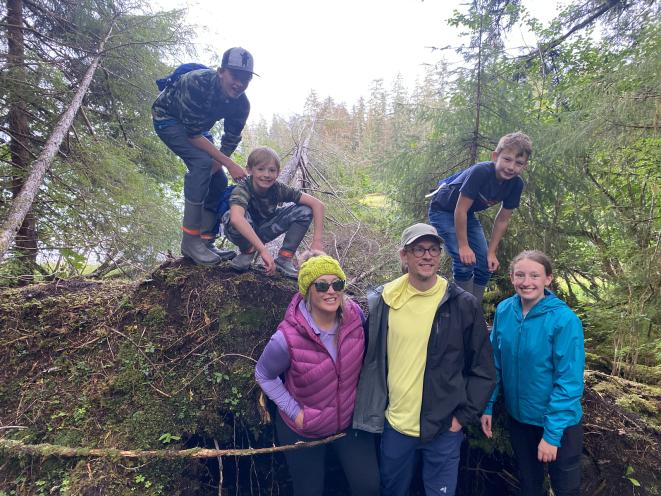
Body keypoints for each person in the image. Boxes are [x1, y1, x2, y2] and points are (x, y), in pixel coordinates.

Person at [353, 223, 496, 496]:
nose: (427, 256)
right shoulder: (385, 299)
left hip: (444, 427)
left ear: (440, 255)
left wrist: (461, 418)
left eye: (433, 249)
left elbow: (484, 369)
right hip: (395, 425)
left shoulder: (462, 303)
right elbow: (368, 359)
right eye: (419, 249)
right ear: (404, 256)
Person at [255, 254, 380, 496]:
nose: (331, 291)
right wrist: (296, 413)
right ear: (307, 291)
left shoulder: (355, 318)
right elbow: (264, 374)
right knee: (309, 491)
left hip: (348, 422)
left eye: (338, 284)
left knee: (369, 487)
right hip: (304, 429)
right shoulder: (286, 338)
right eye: (321, 285)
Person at [480, 250, 584, 496]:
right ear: (512, 277)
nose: (527, 282)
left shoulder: (564, 320)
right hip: (520, 420)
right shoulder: (505, 310)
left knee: (566, 489)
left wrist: (551, 435)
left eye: (535, 275)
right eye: (520, 275)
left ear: (548, 279)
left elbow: (569, 382)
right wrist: (488, 404)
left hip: (561, 425)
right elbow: (494, 360)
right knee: (529, 485)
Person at [152, 47, 256, 265]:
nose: (239, 83)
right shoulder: (196, 83)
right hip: (168, 119)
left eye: (245, 79)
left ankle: (206, 240)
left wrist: (220, 162)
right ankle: (190, 241)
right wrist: (228, 163)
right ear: (221, 72)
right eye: (234, 76)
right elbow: (192, 135)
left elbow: (231, 137)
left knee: (216, 177)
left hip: (198, 128)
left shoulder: (241, 104)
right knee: (201, 164)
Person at [428, 132, 532, 304]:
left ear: (524, 166)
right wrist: (463, 246)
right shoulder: (481, 172)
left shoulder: (516, 184)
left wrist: (491, 252)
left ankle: (474, 310)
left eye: (518, 163)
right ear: (495, 156)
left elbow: (503, 219)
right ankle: (462, 311)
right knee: (464, 261)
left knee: (485, 264)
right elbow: (459, 209)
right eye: (507, 159)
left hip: (466, 213)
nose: (511, 167)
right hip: (443, 210)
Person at [223, 147, 324, 278]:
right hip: (244, 234)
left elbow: (318, 205)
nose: (266, 174)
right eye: (260, 169)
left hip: (266, 228)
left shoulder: (279, 189)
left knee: (305, 210)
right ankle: (247, 252)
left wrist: (317, 241)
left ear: (278, 173)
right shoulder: (242, 188)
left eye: (272, 170)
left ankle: (284, 258)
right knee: (231, 216)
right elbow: (237, 219)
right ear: (249, 170)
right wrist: (263, 250)